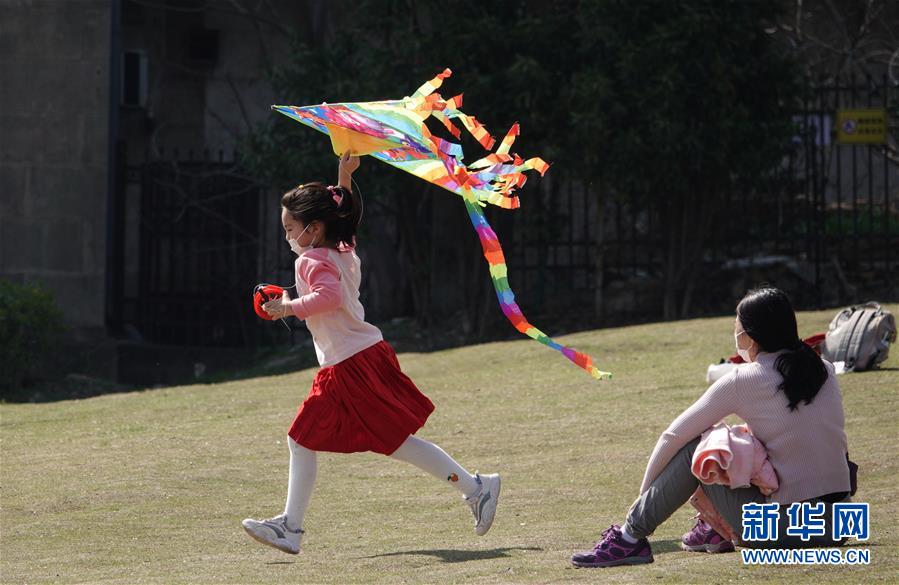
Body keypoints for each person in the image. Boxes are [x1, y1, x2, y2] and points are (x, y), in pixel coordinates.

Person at [242, 152, 500, 555]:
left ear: (313, 228)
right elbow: (342, 215)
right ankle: (476, 488)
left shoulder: (311, 259)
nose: (287, 235)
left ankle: (290, 527)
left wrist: (286, 308)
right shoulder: (342, 247)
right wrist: (343, 175)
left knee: (302, 438)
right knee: (393, 442)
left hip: (349, 365)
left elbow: (327, 297)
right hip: (362, 357)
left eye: (290, 228)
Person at [571, 287, 851, 568]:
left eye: (737, 328)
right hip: (841, 525)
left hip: (780, 528)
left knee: (702, 448)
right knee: (739, 441)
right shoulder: (823, 369)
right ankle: (713, 529)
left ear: (750, 336)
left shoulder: (744, 380)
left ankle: (628, 539)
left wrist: (641, 503)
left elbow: (672, 437)